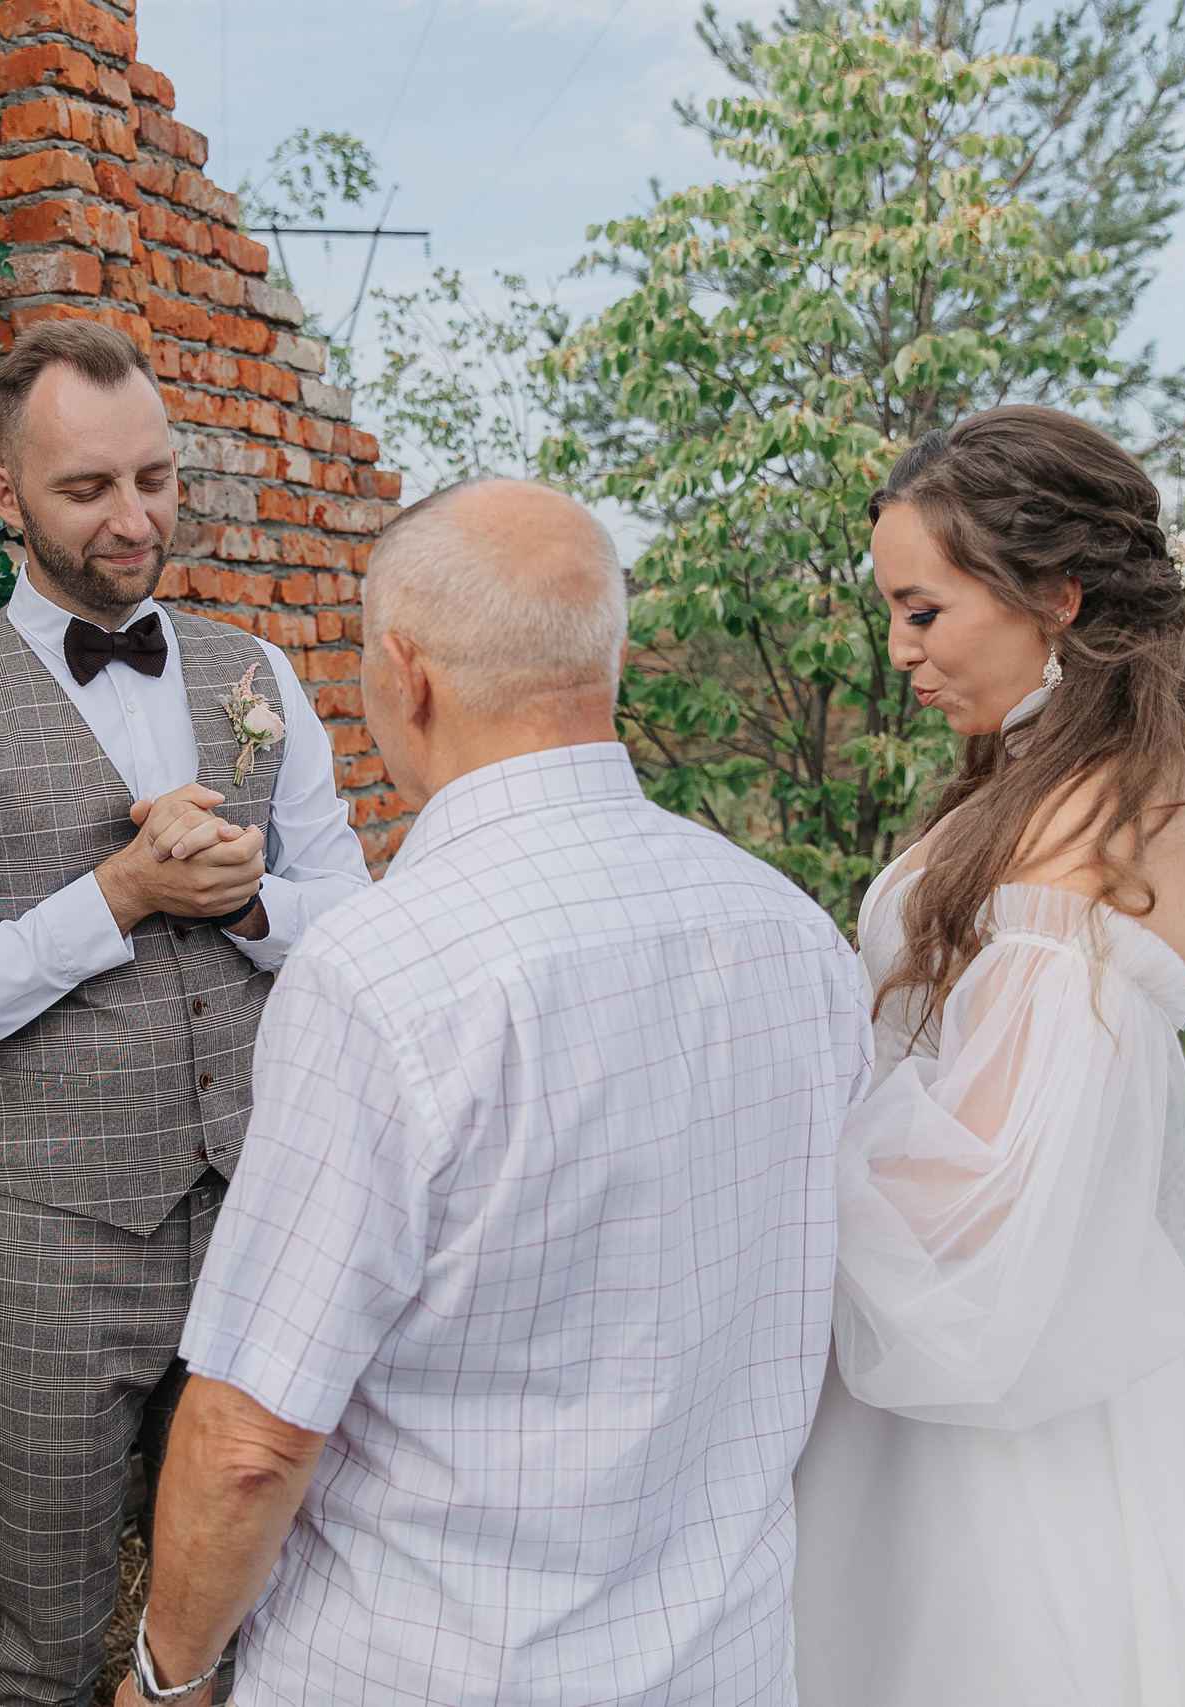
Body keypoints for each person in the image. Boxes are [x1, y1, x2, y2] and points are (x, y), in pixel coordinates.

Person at [110, 480, 873, 1707]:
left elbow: (252, 1439)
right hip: (720, 1661)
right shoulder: (790, 930)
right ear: (604, 661)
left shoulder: (379, 975)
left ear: (404, 675)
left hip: (432, 1669)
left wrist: (167, 1678)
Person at [0, 319, 371, 1706]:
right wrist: (118, 895)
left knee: (266, 1608)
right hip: (49, 1250)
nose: (133, 520)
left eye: (155, 478)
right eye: (86, 489)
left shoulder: (257, 674)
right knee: (44, 1637)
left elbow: (359, 926)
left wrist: (252, 907)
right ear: (4, 496)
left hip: (263, 1220)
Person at [792, 407, 1185, 1705]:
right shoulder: (1086, 773)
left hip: (997, 1414)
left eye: (923, 610)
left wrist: (755, 1169)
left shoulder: (1084, 820)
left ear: (1059, 594)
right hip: (1079, 1335)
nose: (899, 649)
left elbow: (978, 1183)